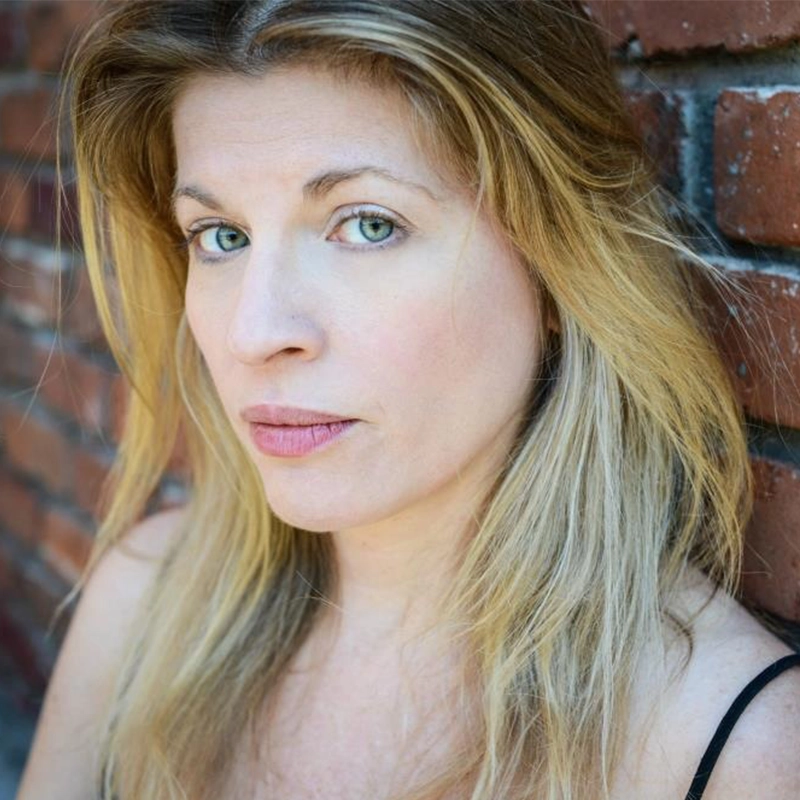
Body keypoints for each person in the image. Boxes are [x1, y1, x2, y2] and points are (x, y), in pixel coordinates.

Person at [15, 1, 800, 799]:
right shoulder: (146, 604)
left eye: (367, 225)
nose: (255, 332)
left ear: (560, 264)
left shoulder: (728, 750)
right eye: (220, 235)